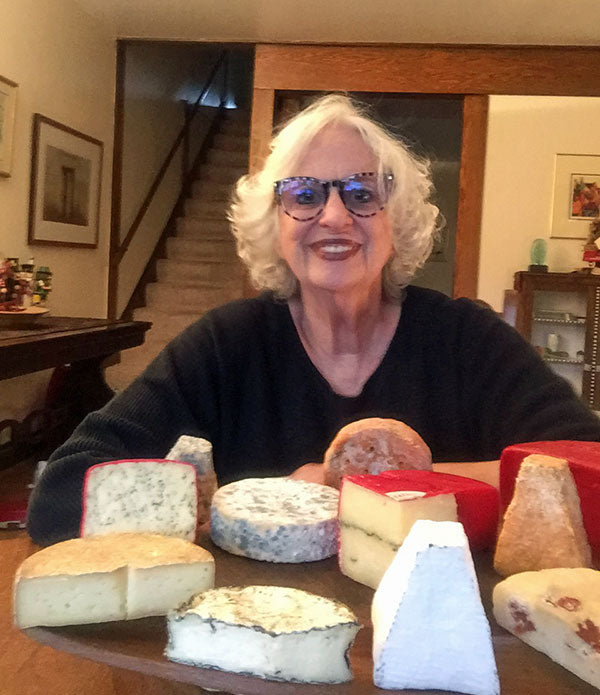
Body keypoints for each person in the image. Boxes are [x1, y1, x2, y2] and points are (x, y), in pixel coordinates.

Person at [27, 94, 600, 546]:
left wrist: (362, 489)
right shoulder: (229, 346)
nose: (333, 215)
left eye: (360, 192)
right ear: (275, 221)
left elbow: (590, 473)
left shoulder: (465, 341)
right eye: (303, 194)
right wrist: (259, 502)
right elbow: (63, 492)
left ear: (395, 220)